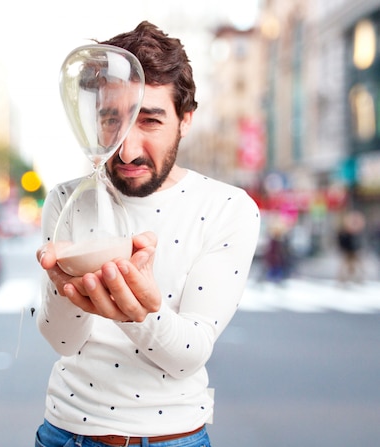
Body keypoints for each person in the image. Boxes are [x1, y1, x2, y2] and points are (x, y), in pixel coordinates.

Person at [35, 21, 260, 447]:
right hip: (65, 434)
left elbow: (189, 354)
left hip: (171, 439)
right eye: (111, 120)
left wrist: (139, 312)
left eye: (150, 121)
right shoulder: (67, 199)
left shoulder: (227, 208)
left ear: (185, 120)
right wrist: (62, 288)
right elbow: (61, 341)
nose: (128, 149)